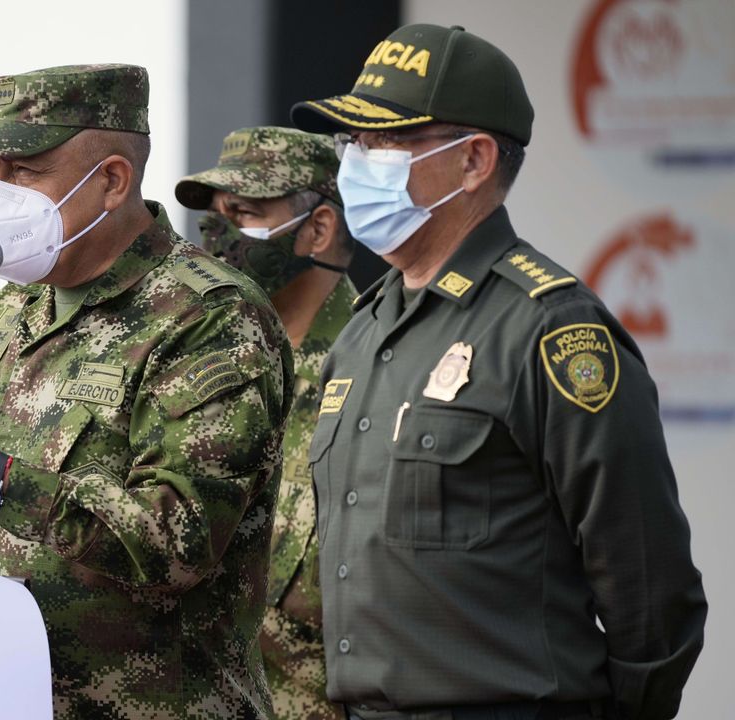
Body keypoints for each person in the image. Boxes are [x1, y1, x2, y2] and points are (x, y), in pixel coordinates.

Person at [0, 64, 293, 719]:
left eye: (26, 172)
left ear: (112, 180)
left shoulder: (208, 318)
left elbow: (181, 546)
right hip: (0, 700)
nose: (1, 196)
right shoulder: (14, 308)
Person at [290, 23, 706, 720]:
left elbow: (650, 589)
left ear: (473, 161)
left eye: (385, 142)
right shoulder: (361, 331)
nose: (357, 163)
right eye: (351, 143)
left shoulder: (549, 329)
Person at [176, 126, 355, 720]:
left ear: (319, 229)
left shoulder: (373, 364)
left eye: (246, 214)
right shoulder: (202, 361)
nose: (218, 235)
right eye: (215, 216)